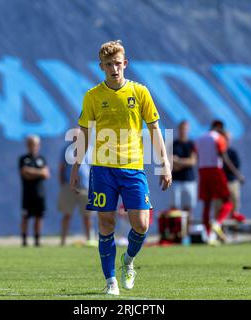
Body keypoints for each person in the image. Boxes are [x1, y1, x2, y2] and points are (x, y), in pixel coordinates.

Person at [69, 40, 172, 295]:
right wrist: (75, 169)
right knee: (106, 223)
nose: (114, 69)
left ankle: (128, 261)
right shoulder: (93, 96)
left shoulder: (140, 93)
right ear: (101, 67)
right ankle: (111, 281)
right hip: (102, 169)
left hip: (133, 168)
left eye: (118, 63)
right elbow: (82, 133)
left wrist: (165, 164)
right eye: (108, 65)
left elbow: (155, 129)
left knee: (142, 224)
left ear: (125, 64)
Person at [195, 120, 245, 245]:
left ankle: (209, 236)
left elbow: (196, 155)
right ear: (218, 127)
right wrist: (237, 174)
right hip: (215, 170)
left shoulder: (200, 139)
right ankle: (217, 223)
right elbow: (224, 157)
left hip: (202, 171)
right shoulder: (218, 138)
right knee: (227, 201)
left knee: (206, 205)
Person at [58, 128, 94, 246]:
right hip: (70, 187)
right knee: (67, 214)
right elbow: (61, 168)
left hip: (85, 186)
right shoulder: (66, 150)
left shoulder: (89, 150)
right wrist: (63, 184)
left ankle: (90, 239)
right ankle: (63, 241)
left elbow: (93, 168)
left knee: (87, 216)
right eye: (74, 136)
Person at [19, 135, 50, 247]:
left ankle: (37, 240)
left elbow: (46, 174)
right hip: (28, 194)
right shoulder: (23, 159)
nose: (34, 146)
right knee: (25, 217)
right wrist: (39, 172)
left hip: (40, 193)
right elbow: (24, 173)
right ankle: (24, 240)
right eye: (31, 144)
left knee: (39, 217)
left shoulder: (41, 159)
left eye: (36, 144)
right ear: (28, 145)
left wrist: (32, 172)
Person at [169, 120, 197, 227]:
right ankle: (175, 233)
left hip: (189, 181)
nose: (183, 131)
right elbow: (170, 163)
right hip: (175, 180)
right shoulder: (173, 144)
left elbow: (192, 161)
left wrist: (178, 161)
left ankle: (187, 233)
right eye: (182, 129)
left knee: (188, 209)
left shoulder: (191, 144)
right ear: (178, 129)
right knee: (174, 209)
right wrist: (184, 162)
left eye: (185, 129)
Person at [213, 131, 246, 223]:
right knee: (219, 207)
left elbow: (236, 166)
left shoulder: (232, 152)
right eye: (225, 138)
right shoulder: (216, 153)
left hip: (231, 182)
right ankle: (218, 228)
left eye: (228, 138)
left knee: (234, 208)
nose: (227, 140)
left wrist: (237, 175)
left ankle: (233, 230)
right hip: (220, 183)